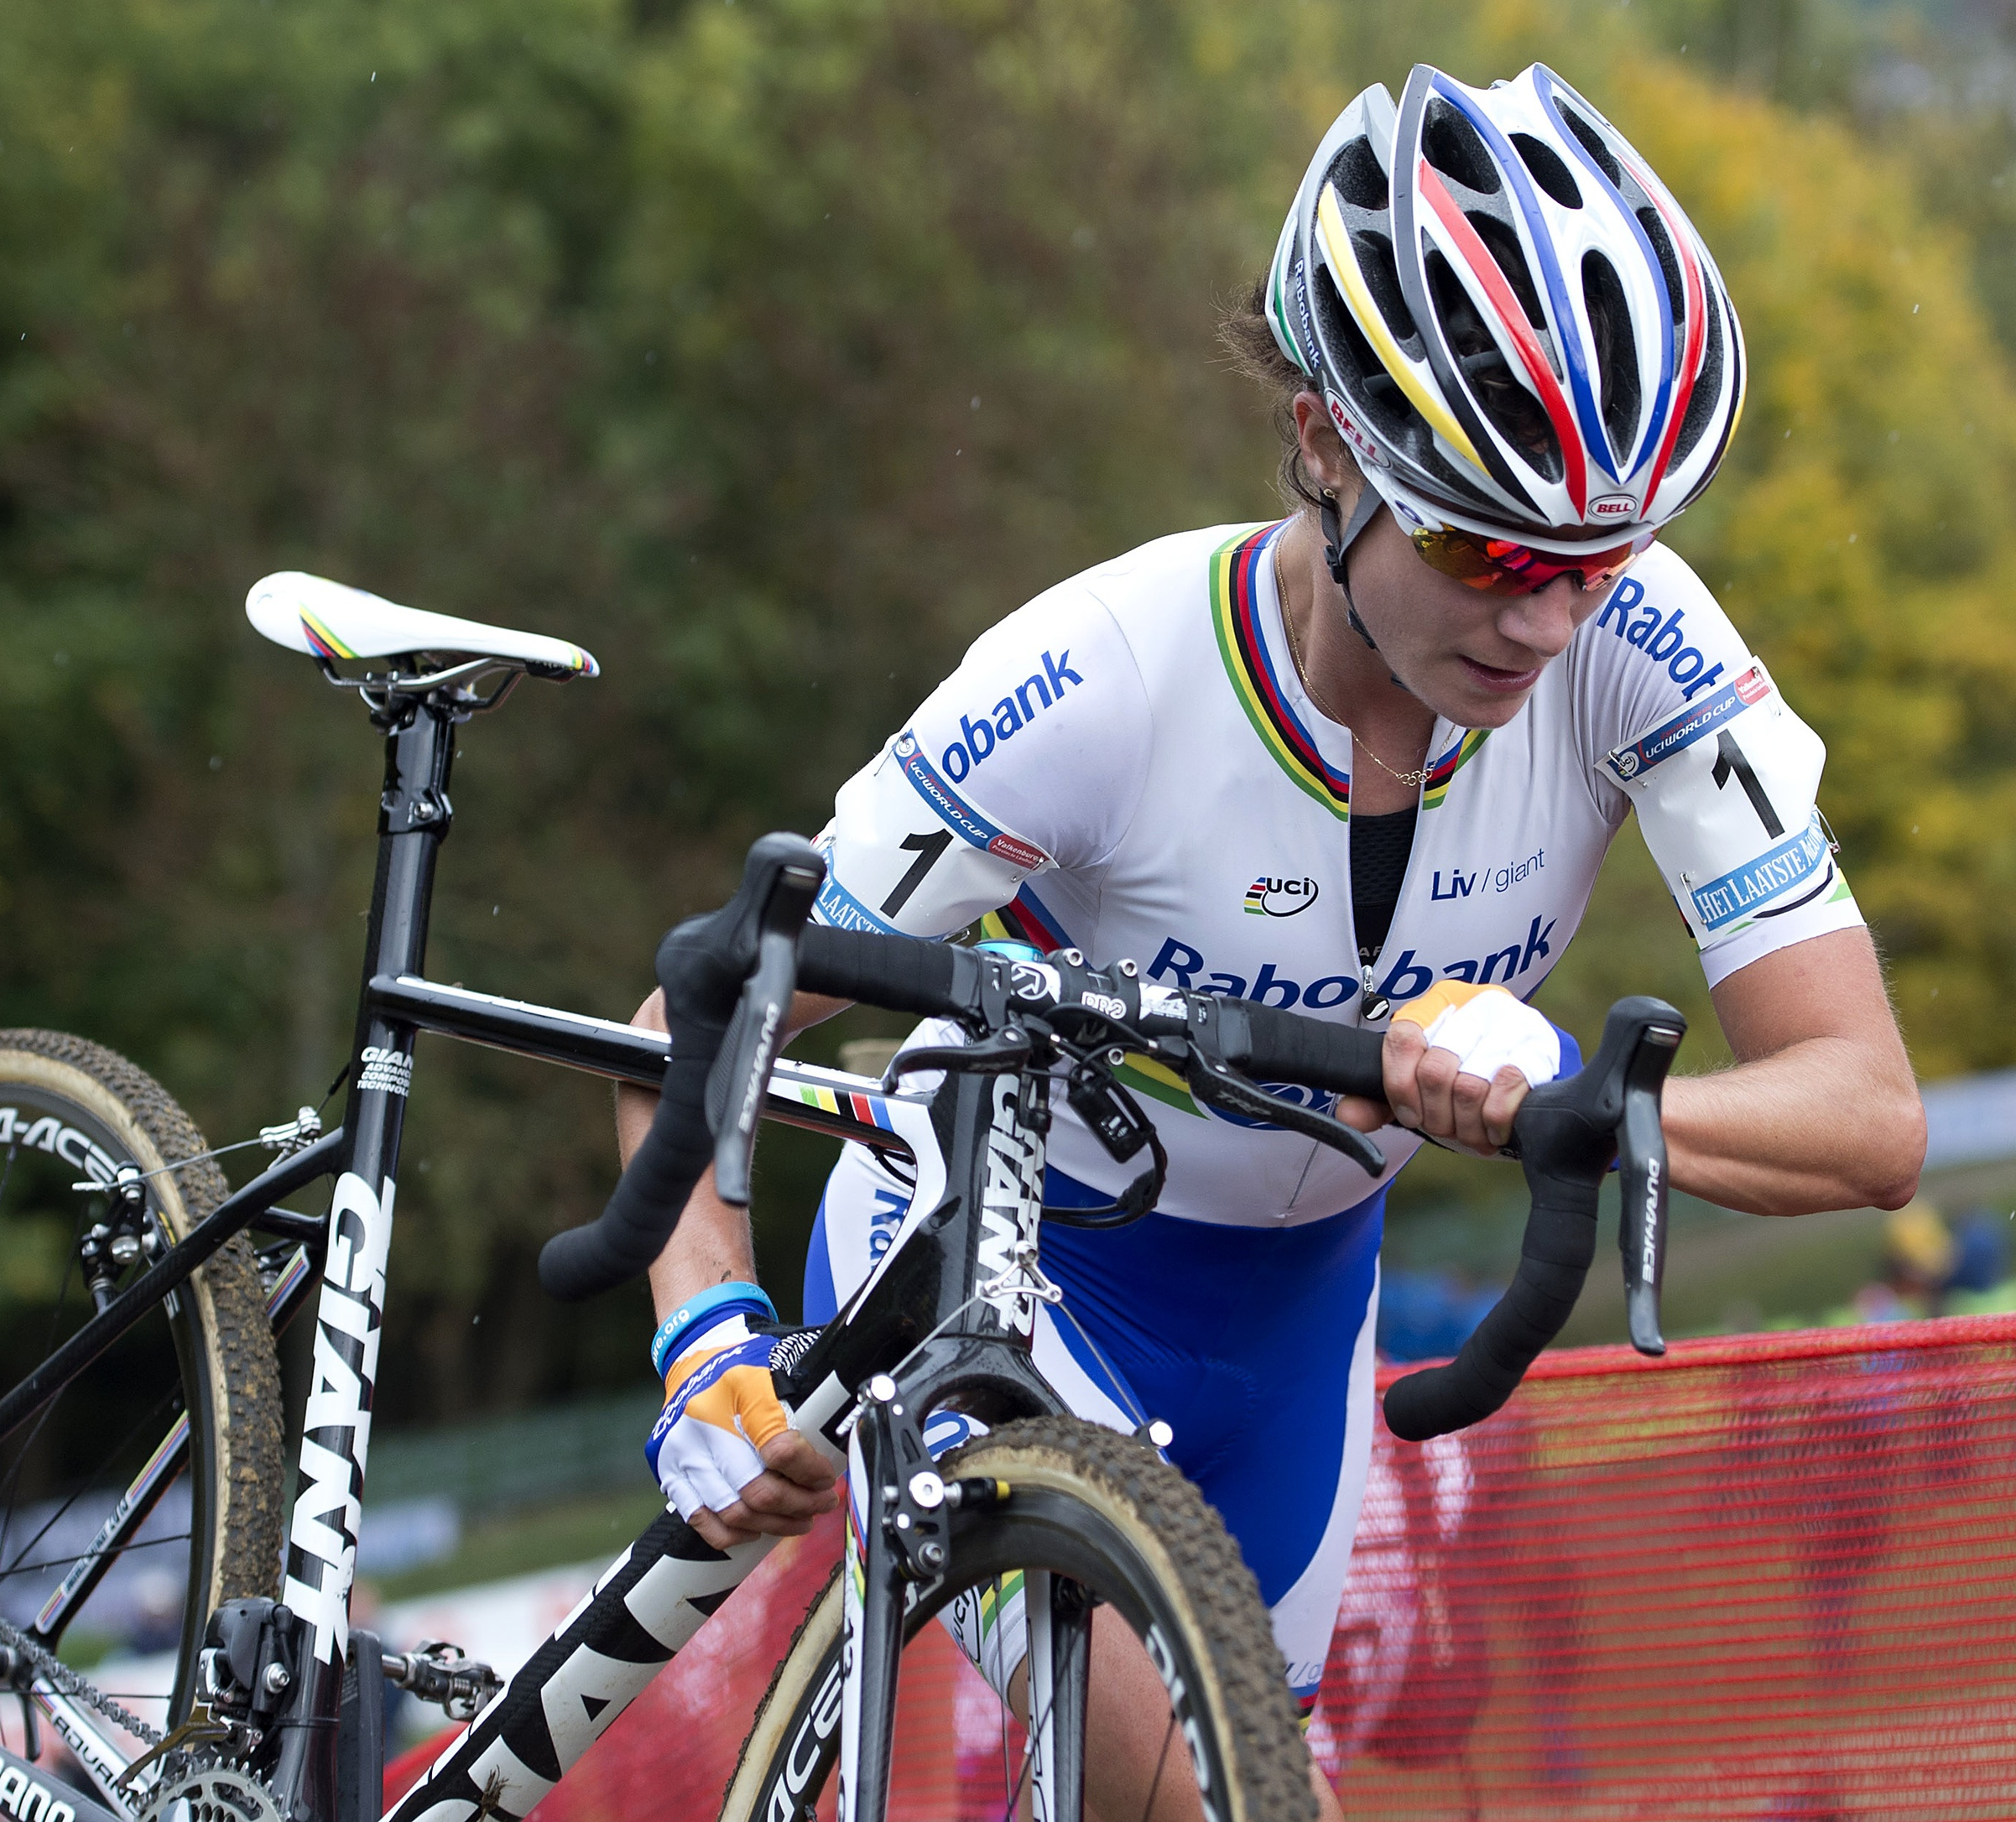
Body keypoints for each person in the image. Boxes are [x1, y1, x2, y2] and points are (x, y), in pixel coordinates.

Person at [621, 60, 1926, 1819]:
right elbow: (703, 1015)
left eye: (1598, 558)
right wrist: (702, 1323)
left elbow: (1865, 1116)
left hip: (1299, 1326)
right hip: (993, 1267)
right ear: (1323, 442)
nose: (1542, 617)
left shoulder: (1640, 650)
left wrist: (1576, 1098)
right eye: (1481, 544)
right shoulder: (1094, 684)